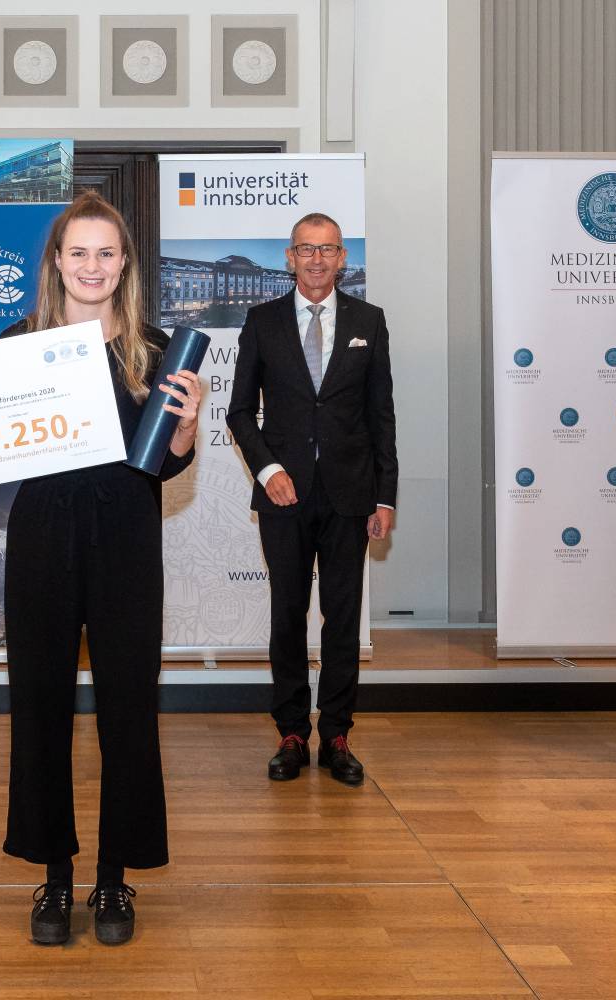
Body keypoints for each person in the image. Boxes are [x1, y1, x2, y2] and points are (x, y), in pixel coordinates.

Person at [0, 191, 200, 946]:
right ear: (57, 262)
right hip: (40, 544)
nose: (92, 266)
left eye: (107, 252)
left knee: (128, 714)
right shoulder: (16, 344)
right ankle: (56, 877)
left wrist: (189, 424)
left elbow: (165, 469)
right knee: (39, 711)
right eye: (79, 252)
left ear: (124, 262)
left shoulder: (156, 349)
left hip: (127, 544)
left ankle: (114, 881)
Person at [225, 212, 398, 787]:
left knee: (343, 617)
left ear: (343, 257)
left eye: (328, 250)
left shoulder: (369, 321)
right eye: (307, 249)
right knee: (288, 614)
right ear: (290, 257)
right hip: (285, 492)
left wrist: (385, 496)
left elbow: (381, 417)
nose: (318, 259)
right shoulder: (262, 321)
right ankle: (292, 734)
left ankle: (338, 736)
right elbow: (239, 412)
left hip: (351, 495)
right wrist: (269, 468)